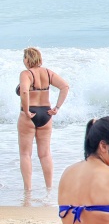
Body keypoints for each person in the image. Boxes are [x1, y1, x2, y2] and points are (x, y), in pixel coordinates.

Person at [17, 47, 70, 190]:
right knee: (45, 154)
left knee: (25, 154)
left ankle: (27, 190)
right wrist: (57, 108)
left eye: (24, 58)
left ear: (27, 59)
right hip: (46, 114)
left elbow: (24, 91)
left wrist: (27, 110)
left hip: (30, 114)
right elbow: (65, 86)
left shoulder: (26, 74)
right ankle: (49, 188)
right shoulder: (47, 72)